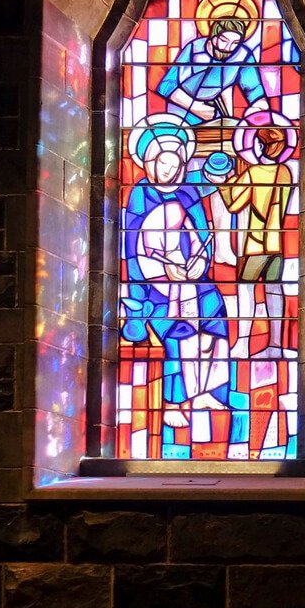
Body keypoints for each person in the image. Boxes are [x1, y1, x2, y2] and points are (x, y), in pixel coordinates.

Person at [121, 118, 230, 429]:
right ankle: (173, 402)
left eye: (176, 164)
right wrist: (161, 274)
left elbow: (201, 233)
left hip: (194, 279)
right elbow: (133, 249)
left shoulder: (188, 192)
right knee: (177, 333)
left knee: (215, 315)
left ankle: (205, 392)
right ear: (149, 163)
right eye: (163, 163)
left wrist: (200, 262)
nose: (170, 171)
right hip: (153, 289)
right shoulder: (140, 195)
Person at [222, 126, 295, 356]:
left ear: (262, 146)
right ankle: (276, 345)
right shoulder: (285, 172)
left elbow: (234, 204)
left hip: (255, 244)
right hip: (276, 245)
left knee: (246, 290)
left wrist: (225, 183)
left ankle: (243, 344)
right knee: (274, 290)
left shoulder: (253, 173)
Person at [157, 17, 264, 125]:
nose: (228, 48)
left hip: (213, 114)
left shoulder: (243, 55)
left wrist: (258, 107)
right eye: (223, 40)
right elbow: (166, 86)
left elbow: (254, 88)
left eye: (235, 43)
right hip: (181, 109)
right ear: (214, 36)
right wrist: (195, 107)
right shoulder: (194, 49)